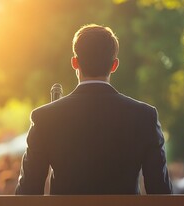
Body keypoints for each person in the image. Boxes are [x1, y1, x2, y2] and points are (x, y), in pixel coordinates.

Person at [16, 24, 172, 195]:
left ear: (74, 62)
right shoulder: (144, 117)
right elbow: (161, 193)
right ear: (114, 65)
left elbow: (27, 193)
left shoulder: (44, 118)